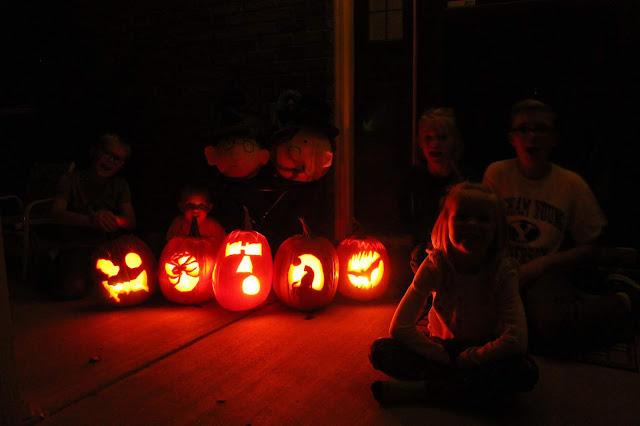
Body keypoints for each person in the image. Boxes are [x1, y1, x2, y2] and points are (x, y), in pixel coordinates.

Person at [482, 99, 639, 354]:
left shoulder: (570, 184)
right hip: (502, 267)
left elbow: (590, 245)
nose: (532, 136)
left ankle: (624, 301)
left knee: (552, 326)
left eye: (540, 129)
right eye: (524, 129)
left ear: (553, 138)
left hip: (546, 271)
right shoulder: (497, 174)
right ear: (512, 138)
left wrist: (541, 265)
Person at [369, 182, 538, 405]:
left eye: (483, 219)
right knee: (381, 349)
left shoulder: (503, 271)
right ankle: (464, 388)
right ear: (445, 223)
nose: (472, 225)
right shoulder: (435, 265)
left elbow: (517, 340)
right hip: (440, 348)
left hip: (484, 349)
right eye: (462, 217)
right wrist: (443, 356)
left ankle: (424, 390)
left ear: (497, 229)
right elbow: (400, 327)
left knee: (525, 371)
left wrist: (470, 358)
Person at [50, 133, 135, 299]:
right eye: (107, 153)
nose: (110, 161)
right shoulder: (70, 180)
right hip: (77, 244)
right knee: (72, 288)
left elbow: (130, 221)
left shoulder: (120, 185)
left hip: (110, 246)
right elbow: (56, 213)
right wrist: (90, 220)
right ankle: (47, 265)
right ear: (94, 151)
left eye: (117, 159)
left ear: (121, 165)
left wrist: (110, 218)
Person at [408, 107, 465, 274]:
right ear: (420, 142)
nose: (434, 144)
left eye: (442, 137)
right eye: (428, 138)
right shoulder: (414, 179)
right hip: (423, 253)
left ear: (454, 141)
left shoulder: (463, 181)